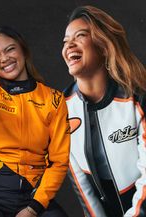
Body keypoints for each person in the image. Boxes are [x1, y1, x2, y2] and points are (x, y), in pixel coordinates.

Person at [0, 26, 70, 217]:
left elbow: (59, 162)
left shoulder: (54, 99)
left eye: (10, 49)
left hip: (35, 195)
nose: (4, 58)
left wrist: (33, 209)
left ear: (23, 50)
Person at [62, 5, 146, 217]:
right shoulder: (62, 109)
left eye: (80, 36)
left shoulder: (137, 98)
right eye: (65, 41)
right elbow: (83, 189)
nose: (69, 45)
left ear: (104, 46)